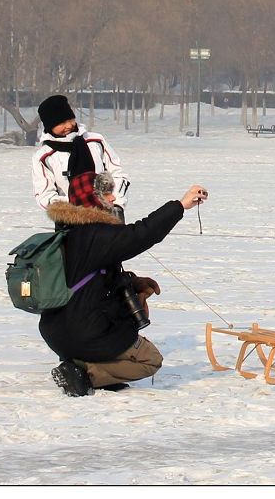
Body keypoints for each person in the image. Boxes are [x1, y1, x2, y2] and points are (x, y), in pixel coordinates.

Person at [41, 168, 208, 396]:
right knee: (151, 360)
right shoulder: (94, 233)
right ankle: (86, 373)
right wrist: (180, 206)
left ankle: (80, 362)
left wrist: (131, 282)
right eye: (106, 194)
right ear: (92, 200)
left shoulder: (66, 232)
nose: (112, 198)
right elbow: (141, 234)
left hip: (55, 333)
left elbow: (92, 274)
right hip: (85, 332)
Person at [31, 94, 130, 221]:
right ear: (50, 126)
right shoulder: (44, 157)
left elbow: (118, 174)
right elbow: (44, 196)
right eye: (61, 123)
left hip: (109, 214)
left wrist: (117, 205)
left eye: (70, 120)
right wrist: (81, 204)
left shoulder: (96, 141)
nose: (68, 126)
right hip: (71, 221)